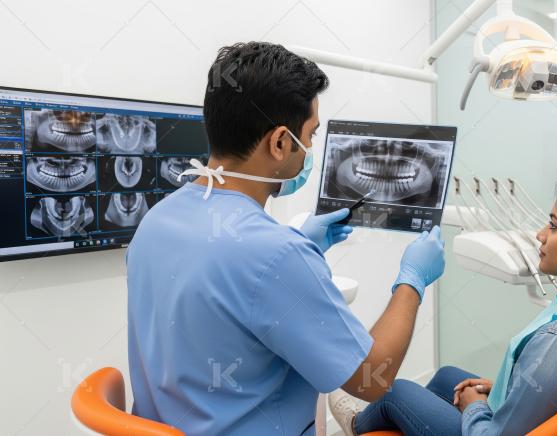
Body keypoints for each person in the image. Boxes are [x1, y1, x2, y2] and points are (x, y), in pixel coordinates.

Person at [126, 42, 445, 435]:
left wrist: (301, 244)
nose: (310, 149)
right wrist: (412, 279)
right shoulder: (275, 255)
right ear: (279, 142)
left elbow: (223, 302)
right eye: (309, 135)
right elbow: (372, 379)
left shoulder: (157, 220)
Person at [330, 178, 557, 436]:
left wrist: (476, 409)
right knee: (448, 377)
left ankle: (359, 424)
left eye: (553, 225)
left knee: (396, 393)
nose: (539, 235)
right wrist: (514, 388)